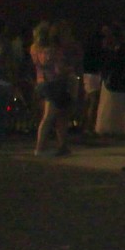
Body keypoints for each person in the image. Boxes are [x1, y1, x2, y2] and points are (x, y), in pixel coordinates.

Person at [29, 21, 77, 157]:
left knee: (57, 115)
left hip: (42, 83)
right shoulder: (53, 50)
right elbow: (58, 70)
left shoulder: (34, 48)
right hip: (54, 84)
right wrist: (70, 70)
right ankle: (40, 148)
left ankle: (62, 146)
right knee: (51, 116)